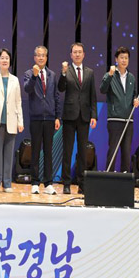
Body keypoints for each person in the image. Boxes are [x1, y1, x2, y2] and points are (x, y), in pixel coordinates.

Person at [58, 42, 97, 194]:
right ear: (71, 55)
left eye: (80, 52)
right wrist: (63, 73)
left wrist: (94, 115)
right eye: (75, 52)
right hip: (69, 116)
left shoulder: (90, 72)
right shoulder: (66, 71)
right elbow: (61, 88)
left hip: (84, 116)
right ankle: (66, 183)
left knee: (82, 152)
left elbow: (92, 95)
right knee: (67, 151)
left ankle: (82, 183)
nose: (77, 54)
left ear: (84, 54)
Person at [23, 46, 61, 195]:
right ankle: (34, 182)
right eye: (38, 55)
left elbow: (56, 96)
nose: (40, 58)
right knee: (35, 151)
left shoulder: (52, 74)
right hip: (36, 118)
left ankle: (48, 183)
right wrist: (34, 76)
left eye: (43, 55)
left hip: (50, 118)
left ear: (46, 58)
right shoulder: (28, 73)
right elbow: (27, 89)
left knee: (48, 152)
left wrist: (57, 116)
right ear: (34, 58)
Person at [0, 49, 24, 193]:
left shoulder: (15, 80)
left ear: (10, 61)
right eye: (2, 58)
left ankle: (7, 183)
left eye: (7, 58)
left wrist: (20, 121)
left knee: (8, 154)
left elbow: (18, 101)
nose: (5, 60)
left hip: (11, 120)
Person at [100, 46, 139, 173]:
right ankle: (109, 176)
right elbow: (102, 89)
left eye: (126, 58)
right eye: (121, 58)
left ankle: (125, 178)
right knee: (113, 150)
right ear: (116, 59)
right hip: (115, 119)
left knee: (126, 151)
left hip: (128, 120)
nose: (124, 60)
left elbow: (134, 95)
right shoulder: (110, 75)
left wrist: (136, 100)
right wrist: (110, 75)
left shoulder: (131, 77)